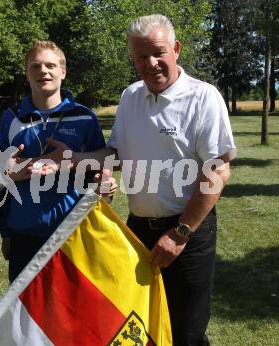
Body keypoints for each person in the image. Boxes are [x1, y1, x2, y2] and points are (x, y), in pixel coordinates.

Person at [44, 14, 236, 346]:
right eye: (140, 56)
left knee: (185, 333)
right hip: (137, 230)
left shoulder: (203, 98)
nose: (151, 63)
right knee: (140, 325)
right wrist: (73, 160)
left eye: (158, 52)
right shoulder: (130, 96)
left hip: (186, 233)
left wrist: (180, 234)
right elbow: (117, 154)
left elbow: (217, 170)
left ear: (175, 49)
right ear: (132, 59)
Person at [0, 40, 116, 282]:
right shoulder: (10, 119)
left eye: (50, 65)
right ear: (26, 73)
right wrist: (6, 233)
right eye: (35, 66)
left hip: (73, 233)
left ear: (63, 71)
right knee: (27, 318)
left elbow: (102, 172)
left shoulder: (84, 117)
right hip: (24, 236)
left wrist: (105, 186)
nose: (43, 71)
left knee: (71, 316)